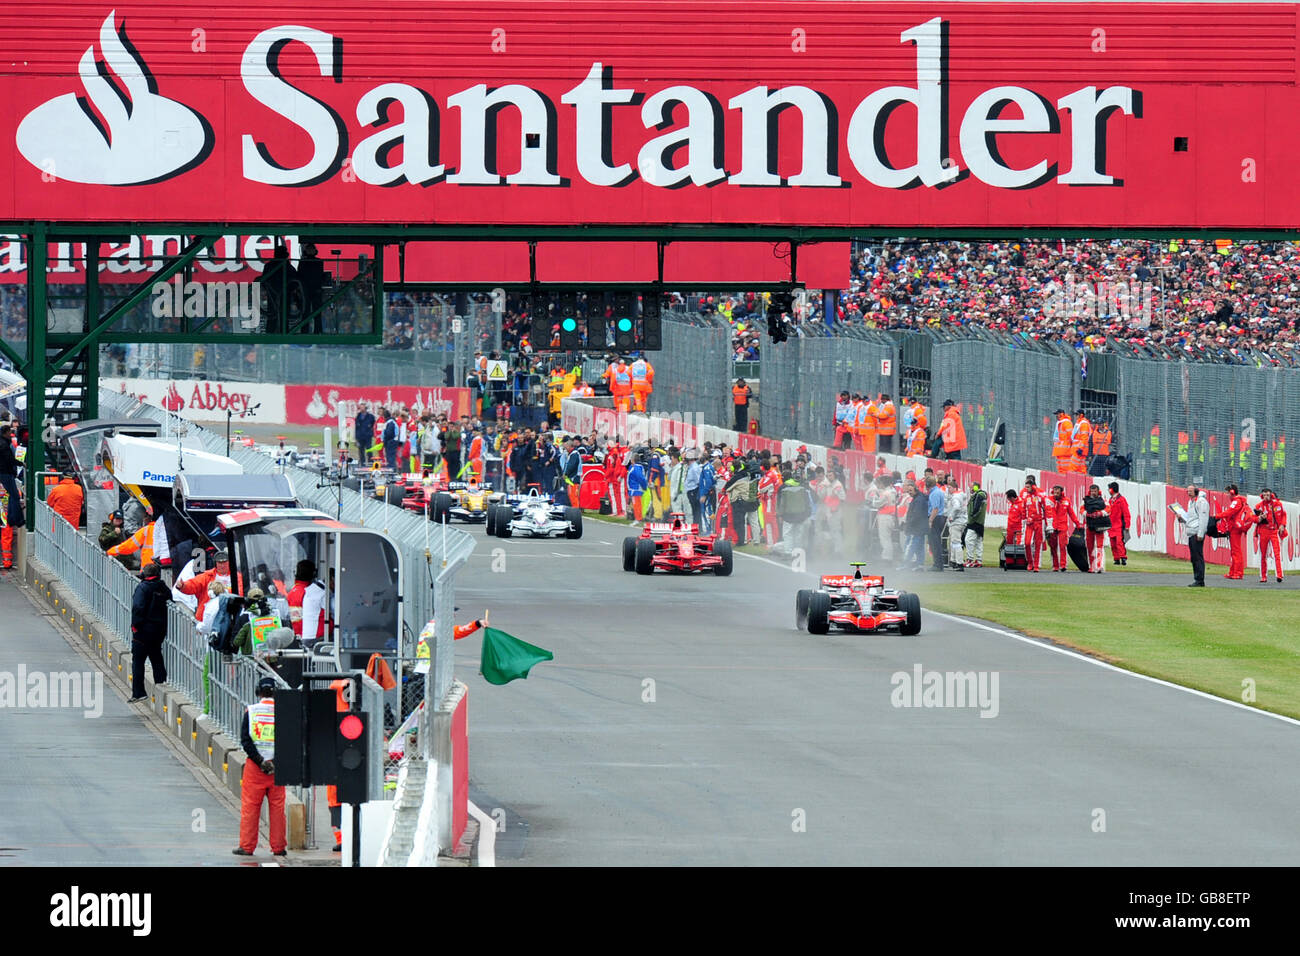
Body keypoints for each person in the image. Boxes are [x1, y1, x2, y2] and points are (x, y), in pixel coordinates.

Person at [233, 676, 287, 857]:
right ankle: (279, 847)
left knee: (250, 807)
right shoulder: (282, 712)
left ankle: (247, 847)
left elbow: (245, 741)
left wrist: (259, 760)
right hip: (277, 768)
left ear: (258, 691)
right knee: (278, 809)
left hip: (255, 767)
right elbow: (288, 742)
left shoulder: (251, 711)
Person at [129, 562, 170, 702]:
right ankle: (161, 682)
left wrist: (135, 626)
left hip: (142, 631)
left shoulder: (142, 588)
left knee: (138, 661)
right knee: (156, 656)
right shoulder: (163, 587)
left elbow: (138, 608)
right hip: (159, 631)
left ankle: (139, 692)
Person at [1215, 483, 1250, 580]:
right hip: (1233, 528)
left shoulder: (1236, 501)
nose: (1227, 495)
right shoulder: (1237, 501)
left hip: (1235, 528)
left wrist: (1218, 516)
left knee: (1236, 551)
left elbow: (1229, 512)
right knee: (1234, 551)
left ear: (1232, 492)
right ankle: (1233, 572)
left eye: (1228, 492)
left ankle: (1238, 573)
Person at [1254, 488, 1288, 583]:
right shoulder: (1258, 506)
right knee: (1263, 554)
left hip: (1274, 531)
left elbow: (1283, 515)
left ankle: (1279, 575)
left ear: (1271, 495)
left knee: (1277, 553)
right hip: (1263, 531)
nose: (1266, 497)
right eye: (1264, 495)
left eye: (1268, 495)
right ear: (1262, 496)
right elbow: (1253, 518)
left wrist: (1282, 525)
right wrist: (1260, 518)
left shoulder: (1277, 504)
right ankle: (1263, 576)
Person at [1181, 484, 1210, 587]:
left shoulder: (1201, 502)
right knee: (1194, 557)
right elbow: (1191, 518)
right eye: (1187, 491)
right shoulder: (1191, 502)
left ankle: (1200, 579)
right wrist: (1182, 519)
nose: (1188, 493)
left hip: (1196, 532)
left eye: (1190, 491)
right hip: (1191, 531)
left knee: (1198, 557)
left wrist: (1201, 533)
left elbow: (1203, 518)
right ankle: (1197, 578)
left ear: (1196, 491)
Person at [1046, 485, 1080, 572]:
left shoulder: (1066, 501)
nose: (1056, 494)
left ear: (1061, 492)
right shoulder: (1049, 500)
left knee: (1062, 546)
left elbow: (1071, 513)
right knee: (1053, 547)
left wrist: (1077, 523)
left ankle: (1063, 565)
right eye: (1054, 492)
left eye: (1057, 492)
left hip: (1063, 527)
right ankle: (1055, 565)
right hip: (1052, 527)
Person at [1081, 483, 1111, 573]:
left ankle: (1099, 566)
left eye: (1095, 491)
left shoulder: (1103, 500)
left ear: (1098, 491)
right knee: (1089, 546)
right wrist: (1087, 513)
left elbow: (1108, 509)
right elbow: (1081, 509)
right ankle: (1091, 566)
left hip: (1100, 526)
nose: (1093, 492)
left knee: (1099, 546)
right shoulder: (1085, 500)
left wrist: (1100, 513)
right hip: (1089, 525)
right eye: (1092, 491)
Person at [1021, 476, 1047, 572]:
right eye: (1026, 487)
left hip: (1039, 522)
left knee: (1038, 544)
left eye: (1028, 487)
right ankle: (1030, 562)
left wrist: (1048, 524)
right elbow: (1023, 511)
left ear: (1033, 486)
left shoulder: (1040, 496)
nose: (1026, 489)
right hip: (1029, 524)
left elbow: (1046, 509)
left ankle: (1036, 565)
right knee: (1027, 543)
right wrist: (1023, 523)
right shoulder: (1026, 497)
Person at [945, 475, 967, 570]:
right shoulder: (961, 494)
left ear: (954, 488)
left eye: (949, 488)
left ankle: (959, 563)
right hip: (961, 521)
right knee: (955, 542)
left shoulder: (955, 497)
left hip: (957, 522)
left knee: (956, 542)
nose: (948, 489)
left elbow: (956, 507)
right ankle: (954, 561)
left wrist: (951, 516)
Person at [1107, 482, 1131, 566]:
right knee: (1113, 543)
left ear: (1112, 489)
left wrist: (1127, 526)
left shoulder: (1121, 500)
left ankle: (1123, 557)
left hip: (1119, 525)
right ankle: (1116, 558)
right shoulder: (1110, 500)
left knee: (1119, 542)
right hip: (1111, 525)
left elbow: (1126, 514)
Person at [964, 480, 987, 568]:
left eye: (971, 487)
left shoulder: (979, 494)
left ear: (975, 487)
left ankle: (969, 559)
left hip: (974, 522)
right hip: (979, 522)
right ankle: (978, 560)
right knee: (978, 541)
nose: (970, 488)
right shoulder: (978, 495)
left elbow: (977, 508)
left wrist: (972, 515)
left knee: (968, 540)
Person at [926, 475, 946, 571]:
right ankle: (938, 563)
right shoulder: (939, 491)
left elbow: (935, 508)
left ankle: (937, 564)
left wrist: (930, 520)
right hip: (939, 517)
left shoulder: (934, 493)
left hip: (936, 518)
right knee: (935, 541)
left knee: (934, 542)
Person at [1051, 410, 1073, 474]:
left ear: (1061, 414)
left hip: (1065, 451)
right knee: (1061, 469)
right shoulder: (1060, 423)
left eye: (1057, 414)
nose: (1056, 416)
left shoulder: (1066, 423)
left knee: (1065, 469)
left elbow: (1071, 436)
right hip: (1061, 451)